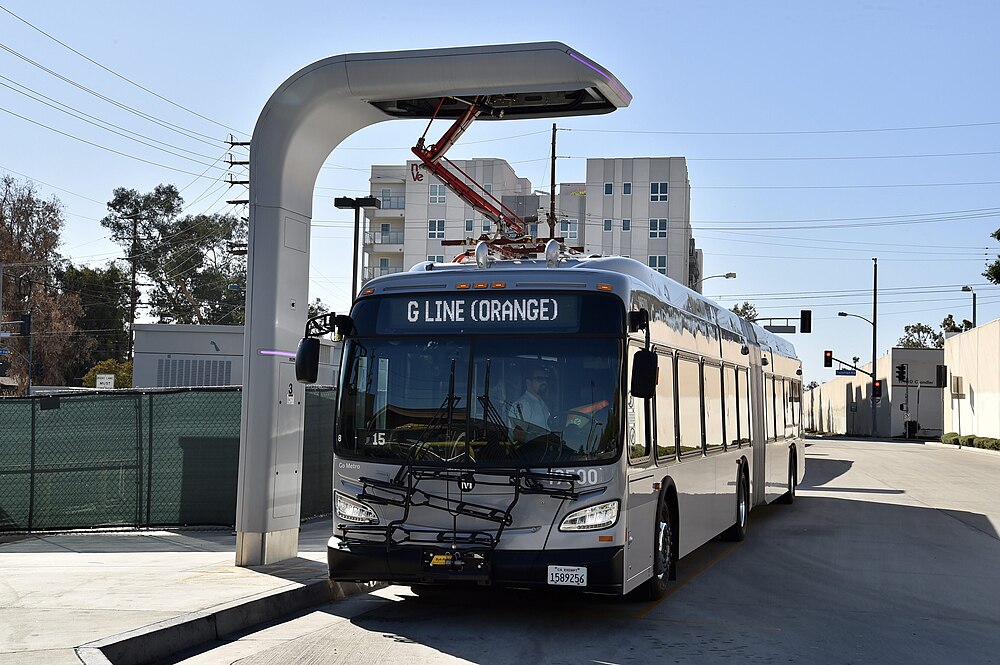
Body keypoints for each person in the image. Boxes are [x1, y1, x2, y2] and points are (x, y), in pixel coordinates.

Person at [508, 368, 552, 443]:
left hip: (545, 447)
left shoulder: (544, 404)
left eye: (546, 379)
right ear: (528, 383)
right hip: (530, 449)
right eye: (539, 379)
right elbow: (519, 437)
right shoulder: (522, 405)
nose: (544, 382)